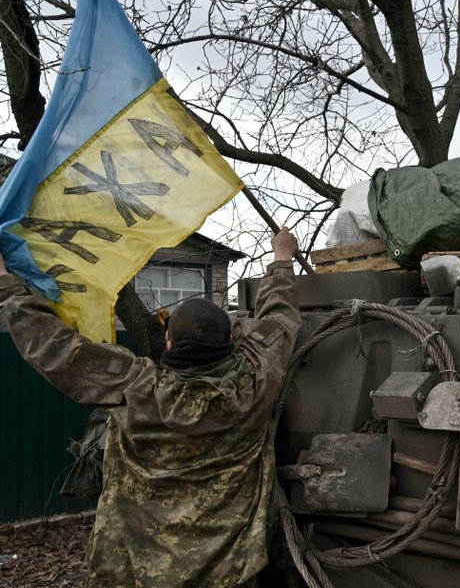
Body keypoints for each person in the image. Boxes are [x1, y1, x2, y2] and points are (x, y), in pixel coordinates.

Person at [0, 228, 303, 588]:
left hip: (134, 574)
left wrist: (5, 280)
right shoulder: (255, 384)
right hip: (227, 576)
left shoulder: (136, 389)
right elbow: (280, 319)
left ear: (170, 342)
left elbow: (56, 349)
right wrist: (282, 259)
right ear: (233, 341)